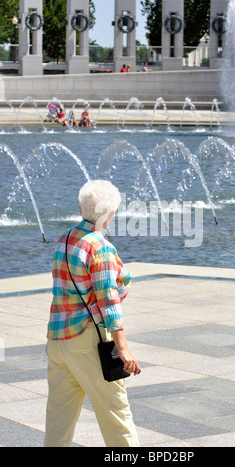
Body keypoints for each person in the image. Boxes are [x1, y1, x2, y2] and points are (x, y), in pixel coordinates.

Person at [44, 180, 140, 447]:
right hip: (88, 339)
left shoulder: (65, 239)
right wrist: (123, 348)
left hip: (57, 339)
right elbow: (108, 301)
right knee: (116, 414)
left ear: (80, 207)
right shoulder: (101, 248)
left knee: (58, 419)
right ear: (109, 215)